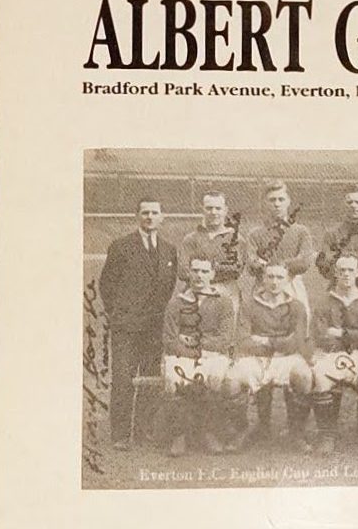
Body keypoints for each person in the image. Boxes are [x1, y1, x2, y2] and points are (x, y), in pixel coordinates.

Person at [98, 198, 177, 451]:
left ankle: (144, 431)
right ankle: (120, 434)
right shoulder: (121, 246)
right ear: (137, 216)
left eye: (154, 212)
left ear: (162, 217)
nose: (149, 217)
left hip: (154, 327)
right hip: (127, 326)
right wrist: (118, 314)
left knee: (150, 378)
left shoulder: (169, 250)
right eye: (145, 212)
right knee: (124, 378)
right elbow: (107, 284)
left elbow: (168, 286)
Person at [223, 262, 313, 453]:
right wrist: (279, 342)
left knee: (304, 376)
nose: (274, 282)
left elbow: (296, 342)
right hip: (257, 357)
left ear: (288, 280)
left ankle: (296, 432)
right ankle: (244, 430)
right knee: (232, 380)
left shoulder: (296, 306)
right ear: (262, 279)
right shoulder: (249, 305)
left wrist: (266, 340)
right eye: (270, 276)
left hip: (286, 357)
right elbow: (243, 341)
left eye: (280, 277)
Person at [160, 256, 234, 457]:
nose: (199, 276)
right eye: (195, 271)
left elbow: (224, 339)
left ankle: (209, 433)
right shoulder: (177, 302)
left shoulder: (223, 302)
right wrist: (191, 350)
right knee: (176, 377)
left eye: (204, 271)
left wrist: (193, 342)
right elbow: (170, 339)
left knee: (215, 377)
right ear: (189, 273)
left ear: (213, 274)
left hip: (213, 355)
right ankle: (179, 435)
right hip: (182, 355)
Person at [311, 255, 358, 455]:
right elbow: (320, 336)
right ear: (335, 273)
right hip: (332, 353)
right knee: (321, 375)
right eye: (342, 270)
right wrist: (353, 337)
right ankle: (327, 436)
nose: (346, 274)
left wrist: (341, 333)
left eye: (350, 270)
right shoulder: (325, 300)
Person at [247, 181, 315, 326]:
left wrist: (277, 265)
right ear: (265, 203)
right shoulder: (255, 234)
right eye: (272, 200)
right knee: (261, 328)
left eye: (281, 199)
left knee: (299, 328)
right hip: (263, 286)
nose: (277, 204)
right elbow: (251, 264)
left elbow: (304, 262)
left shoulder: (301, 231)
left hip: (292, 284)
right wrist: (267, 268)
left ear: (288, 201)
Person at [178, 191, 247, 323]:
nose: (214, 212)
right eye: (209, 208)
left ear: (225, 210)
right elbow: (182, 270)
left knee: (226, 330)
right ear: (202, 209)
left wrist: (201, 270)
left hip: (226, 290)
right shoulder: (191, 239)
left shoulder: (235, 239)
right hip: (196, 291)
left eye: (218, 208)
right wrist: (218, 268)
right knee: (194, 329)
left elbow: (235, 269)